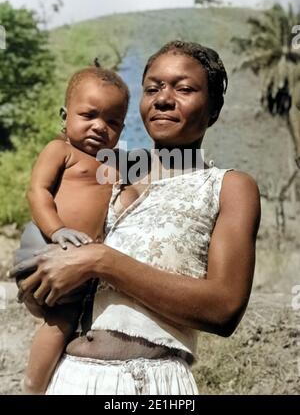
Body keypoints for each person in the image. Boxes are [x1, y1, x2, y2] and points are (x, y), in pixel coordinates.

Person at [11, 40, 261, 395]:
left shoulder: (227, 186)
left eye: (184, 89)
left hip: (154, 386)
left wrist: (101, 261)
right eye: (152, 88)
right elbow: (49, 238)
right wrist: (38, 286)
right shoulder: (104, 168)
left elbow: (224, 310)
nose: (162, 99)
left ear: (214, 109)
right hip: (69, 379)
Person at [14, 65, 129, 394]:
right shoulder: (60, 150)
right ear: (65, 116)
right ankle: (32, 387)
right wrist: (57, 230)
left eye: (112, 122)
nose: (99, 127)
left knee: (71, 319)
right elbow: (38, 192)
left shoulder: (113, 163)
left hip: (76, 260)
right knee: (60, 320)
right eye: (89, 115)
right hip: (44, 245)